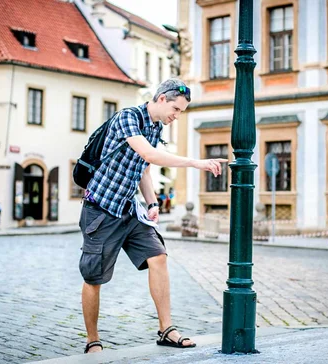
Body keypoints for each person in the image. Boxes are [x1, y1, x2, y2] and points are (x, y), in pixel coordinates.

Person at [79, 78, 226, 354]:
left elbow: (143, 167)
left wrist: (151, 202)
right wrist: (195, 162)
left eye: (181, 111)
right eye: (175, 109)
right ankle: (93, 341)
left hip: (127, 209)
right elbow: (150, 154)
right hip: (100, 211)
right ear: (160, 99)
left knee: (158, 256)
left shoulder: (155, 127)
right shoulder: (128, 118)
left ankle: (166, 329)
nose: (176, 115)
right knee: (93, 278)